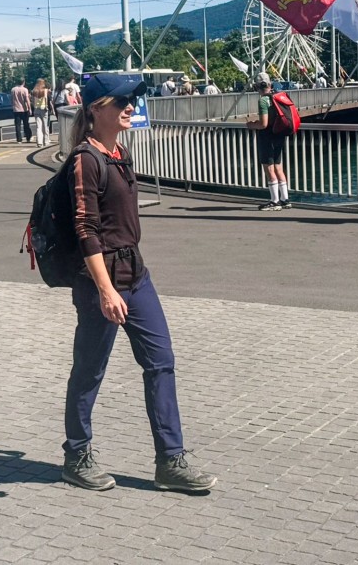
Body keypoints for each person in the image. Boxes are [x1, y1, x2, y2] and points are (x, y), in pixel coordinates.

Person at [61, 72, 217, 494]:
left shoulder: (119, 153)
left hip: (136, 274)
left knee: (161, 361)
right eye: (122, 101)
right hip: (101, 280)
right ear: (97, 109)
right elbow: (85, 229)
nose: (130, 107)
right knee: (90, 370)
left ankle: (170, 461)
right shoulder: (85, 159)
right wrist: (105, 290)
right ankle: (76, 455)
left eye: (132, 100)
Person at [246, 72, 292, 211]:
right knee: (278, 167)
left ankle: (274, 201)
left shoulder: (263, 101)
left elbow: (263, 124)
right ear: (270, 84)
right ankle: (285, 199)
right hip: (279, 135)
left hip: (267, 137)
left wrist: (251, 125)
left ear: (257, 87)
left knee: (269, 168)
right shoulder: (278, 97)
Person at [30, 78, 52, 147]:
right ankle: (46, 141)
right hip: (43, 108)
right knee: (45, 126)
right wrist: (46, 106)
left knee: (38, 126)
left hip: (36, 109)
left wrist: (34, 106)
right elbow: (45, 97)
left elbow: (32, 100)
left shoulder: (34, 91)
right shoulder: (44, 90)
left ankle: (39, 142)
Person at [10, 78, 32, 143]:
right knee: (26, 124)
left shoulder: (13, 89)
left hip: (16, 109)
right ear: (23, 82)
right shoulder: (25, 90)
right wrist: (29, 108)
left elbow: (12, 99)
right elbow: (27, 100)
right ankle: (28, 138)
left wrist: (13, 106)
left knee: (17, 125)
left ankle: (19, 139)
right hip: (24, 109)